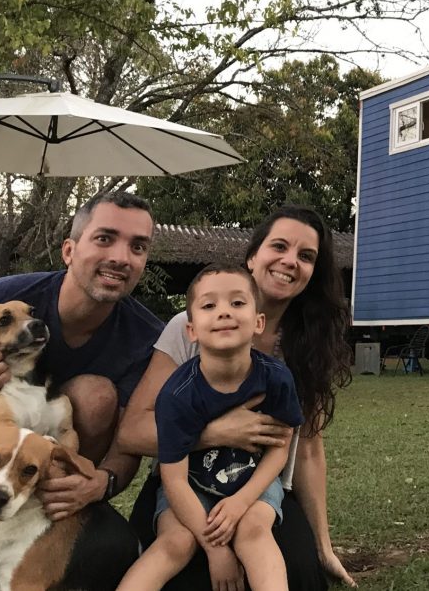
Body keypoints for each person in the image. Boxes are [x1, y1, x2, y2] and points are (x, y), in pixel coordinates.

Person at [121, 205, 356, 590]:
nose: (290, 261)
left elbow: (308, 449)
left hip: (257, 483)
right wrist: (215, 433)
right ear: (253, 255)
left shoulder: (306, 344)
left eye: (306, 256)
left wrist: (323, 545)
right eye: (279, 246)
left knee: (299, 571)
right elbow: (131, 432)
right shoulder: (189, 326)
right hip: (183, 477)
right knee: (184, 571)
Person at [0, 191, 162, 588]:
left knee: (97, 394)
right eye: (105, 238)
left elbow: (129, 441)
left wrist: (101, 482)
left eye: (138, 246)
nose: (121, 256)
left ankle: (53, 511)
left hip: (45, 473)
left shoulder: (146, 339)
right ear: (69, 249)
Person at [119, 264, 303, 591]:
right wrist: (216, 550)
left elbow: (280, 448)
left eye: (237, 303)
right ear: (191, 330)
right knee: (175, 542)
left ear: (258, 322)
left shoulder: (276, 379)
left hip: (253, 478)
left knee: (254, 534)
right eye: (209, 305)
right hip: (189, 483)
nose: (223, 313)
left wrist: (241, 501)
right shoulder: (176, 394)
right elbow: (173, 478)